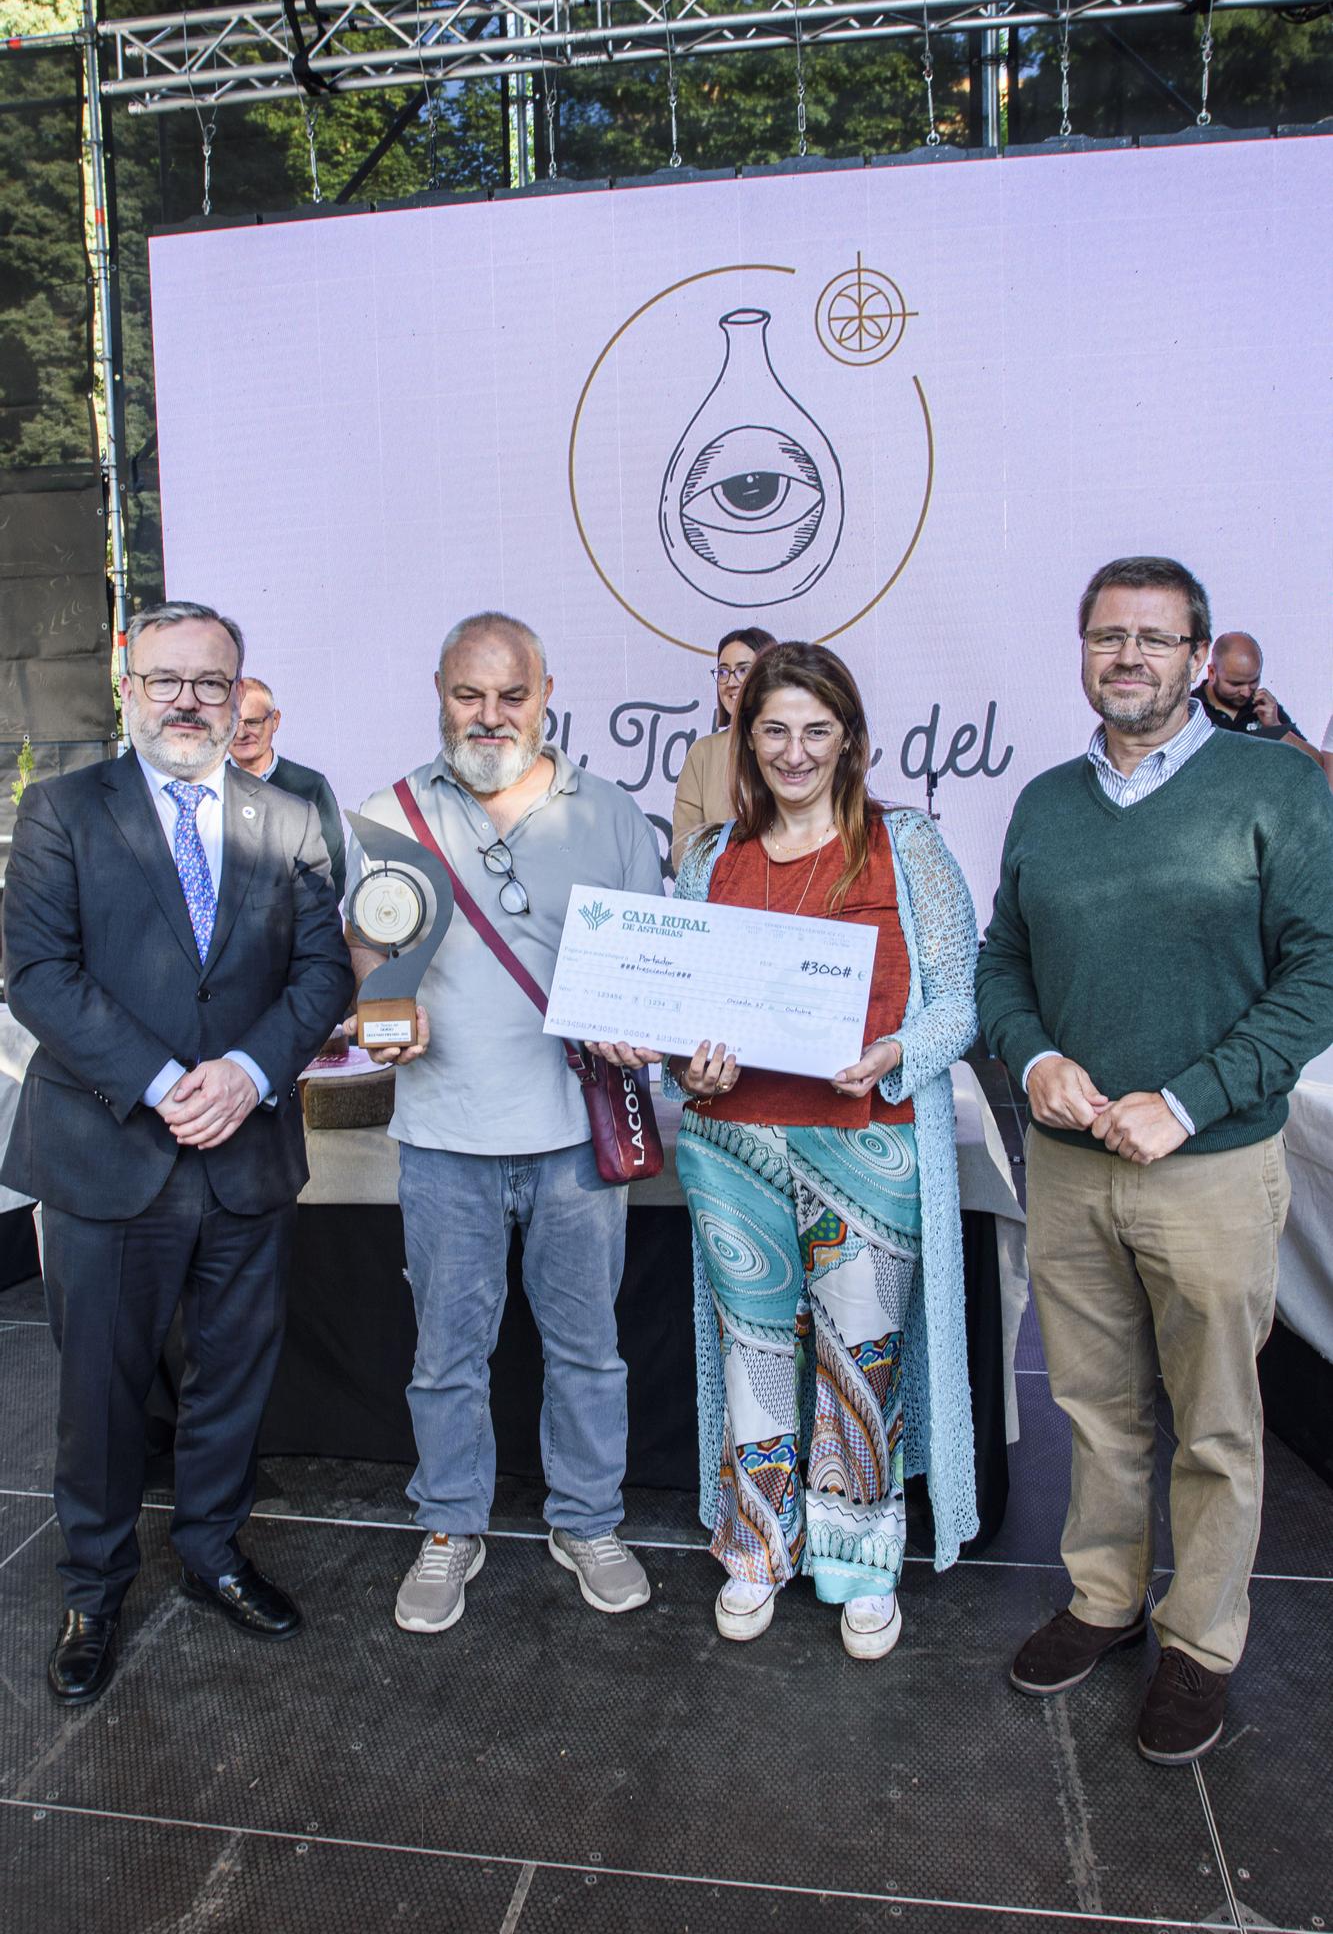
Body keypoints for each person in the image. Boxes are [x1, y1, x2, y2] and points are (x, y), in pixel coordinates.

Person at [976, 555, 1333, 1765]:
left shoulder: (1275, 788)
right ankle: (1103, 1597)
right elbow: (999, 965)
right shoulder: (1043, 801)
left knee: (1217, 1422)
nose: (1127, 656)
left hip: (1212, 1166)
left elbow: (1320, 972)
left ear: (1197, 654)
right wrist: (1031, 1063)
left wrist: (1188, 1100)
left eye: (1152, 638)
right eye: (1106, 636)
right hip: (1071, 1165)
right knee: (1095, 1402)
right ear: (1080, 649)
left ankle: (1200, 1639)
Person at [1, 601, 353, 1705]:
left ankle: (209, 1553)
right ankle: (93, 1587)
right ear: (130, 684)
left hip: (245, 1150)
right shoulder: (60, 809)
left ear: (240, 690)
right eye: (167, 679)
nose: (188, 698)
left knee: (233, 1376)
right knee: (100, 1390)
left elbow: (323, 974)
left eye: (210, 680)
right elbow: (39, 974)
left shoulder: (288, 816)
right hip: (110, 1147)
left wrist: (246, 1073)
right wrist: (165, 1084)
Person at [599, 641, 980, 1659]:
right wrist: (691, 1072)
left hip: (870, 1146)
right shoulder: (706, 856)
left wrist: (897, 1048)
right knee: (755, 1357)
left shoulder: (908, 846)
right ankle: (757, 1548)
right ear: (743, 736)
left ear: (849, 737)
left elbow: (958, 1007)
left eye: (816, 729)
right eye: (774, 728)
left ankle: (860, 1561)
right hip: (732, 1148)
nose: (795, 749)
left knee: (862, 1363)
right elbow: (683, 1025)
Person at [345, 611, 664, 1634]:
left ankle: (589, 1519)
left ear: (546, 689)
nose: (489, 716)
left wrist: (638, 1026)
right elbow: (367, 951)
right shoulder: (387, 815)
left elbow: (650, 966)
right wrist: (378, 1009)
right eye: (468, 695)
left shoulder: (610, 813)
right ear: (438, 688)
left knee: (589, 1350)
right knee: (445, 1354)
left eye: (510, 695)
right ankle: (448, 1527)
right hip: (443, 1133)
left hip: (575, 1136)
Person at [228, 675, 347, 899]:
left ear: (275, 720)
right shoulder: (207, 788)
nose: (242, 733)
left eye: (252, 722)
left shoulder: (310, 786)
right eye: (233, 723)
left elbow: (334, 869)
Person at [670, 626, 777, 870]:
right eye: (723, 672)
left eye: (743, 670)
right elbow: (683, 852)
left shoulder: (790, 749)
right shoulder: (703, 753)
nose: (730, 682)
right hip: (719, 901)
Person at [1191, 631, 1323, 765]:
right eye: (1236, 684)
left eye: (1254, 681)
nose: (1246, 692)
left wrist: (1275, 727)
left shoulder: (1263, 708)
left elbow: (1316, 764)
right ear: (1212, 673)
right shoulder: (1189, 709)